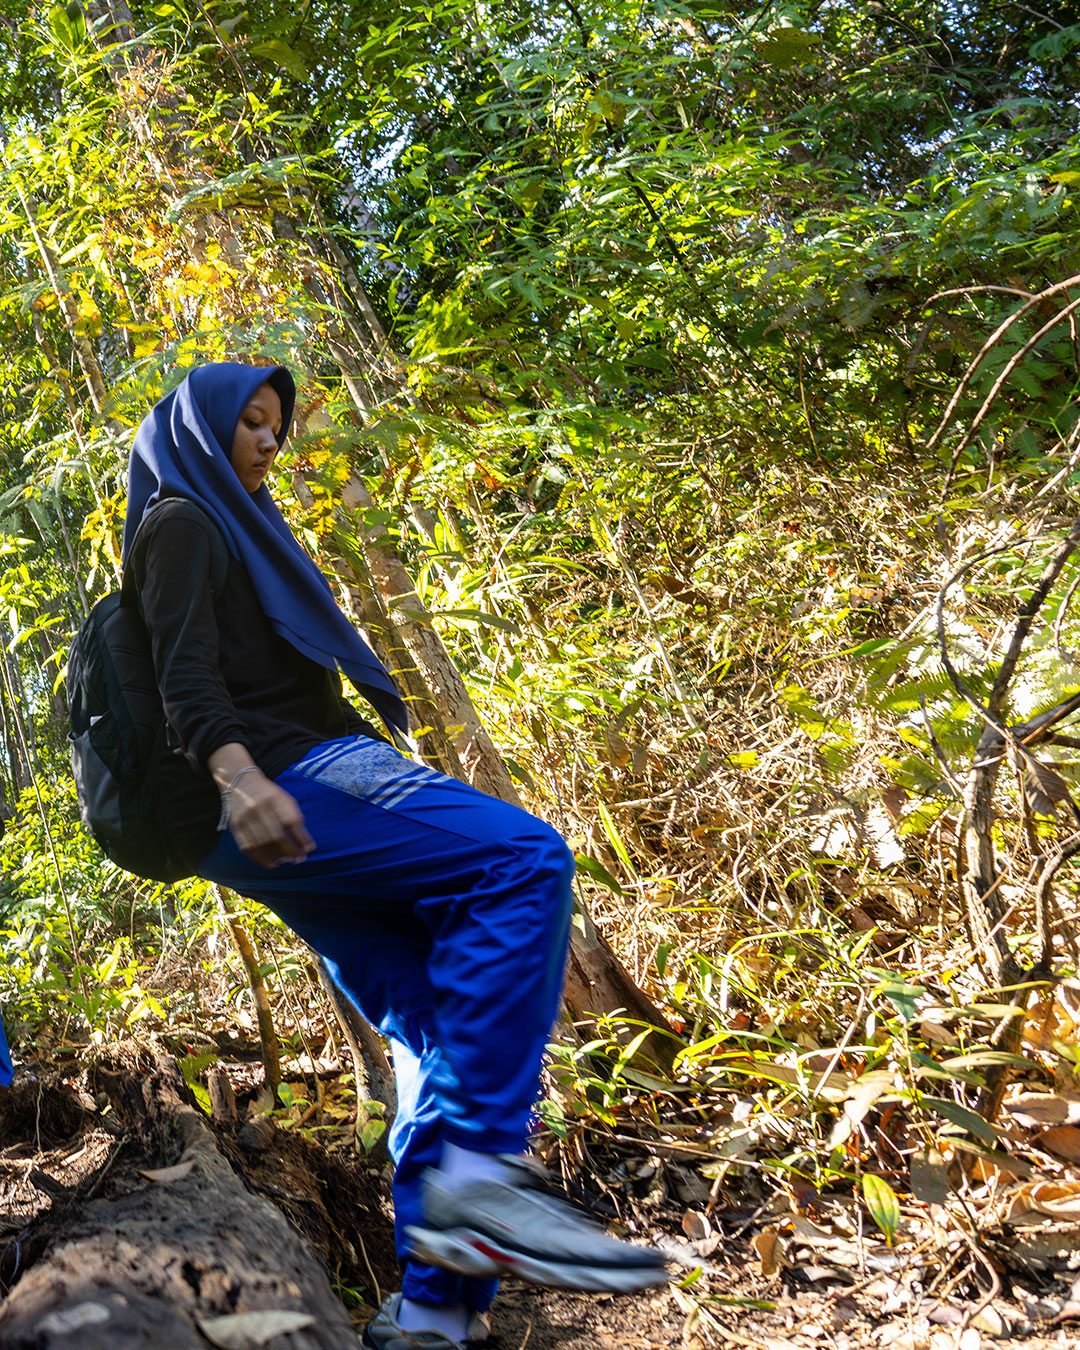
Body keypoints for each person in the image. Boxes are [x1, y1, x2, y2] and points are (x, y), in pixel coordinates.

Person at [122, 362, 667, 1350]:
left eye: (277, 429)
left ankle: (430, 1313)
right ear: (200, 429)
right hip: (287, 779)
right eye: (248, 422)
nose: (267, 441)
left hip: (275, 808)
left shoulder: (234, 528)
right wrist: (242, 777)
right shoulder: (184, 522)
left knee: (427, 1018)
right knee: (521, 864)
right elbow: (182, 676)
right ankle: (473, 1188)